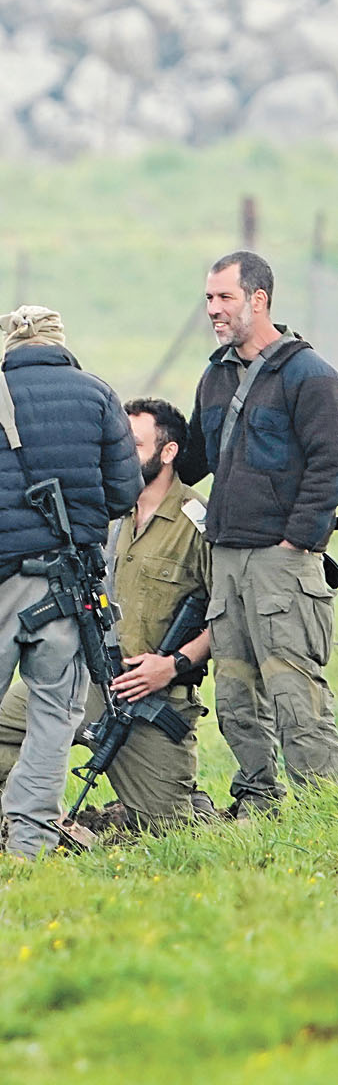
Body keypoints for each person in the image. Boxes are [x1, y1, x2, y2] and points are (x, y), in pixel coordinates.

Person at [0, 306, 141, 862]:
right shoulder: (99, 399)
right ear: (61, 344)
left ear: (10, 348)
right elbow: (123, 493)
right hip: (67, 590)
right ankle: (28, 847)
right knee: (54, 718)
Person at [0, 397, 212, 844]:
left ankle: (196, 809)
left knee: (167, 832)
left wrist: (173, 665)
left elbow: (229, 613)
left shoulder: (196, 523)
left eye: (135, 444)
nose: (121, 454)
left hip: (154, 701)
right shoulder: (106, 516)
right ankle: (20, 835)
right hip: (87, 682)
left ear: (168, 452)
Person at [185, 251, 338, 811]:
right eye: (208, 298)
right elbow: (193, 458)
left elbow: (331, 465)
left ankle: (322, 808)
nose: (213, 310)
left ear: (259, 299)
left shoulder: (310, 376)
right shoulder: (215, 374)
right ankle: (257, 801)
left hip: (282, 561)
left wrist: (297, 539)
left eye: (224, 297)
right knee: (234, 694)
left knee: (294, 690)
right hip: (227, 557)